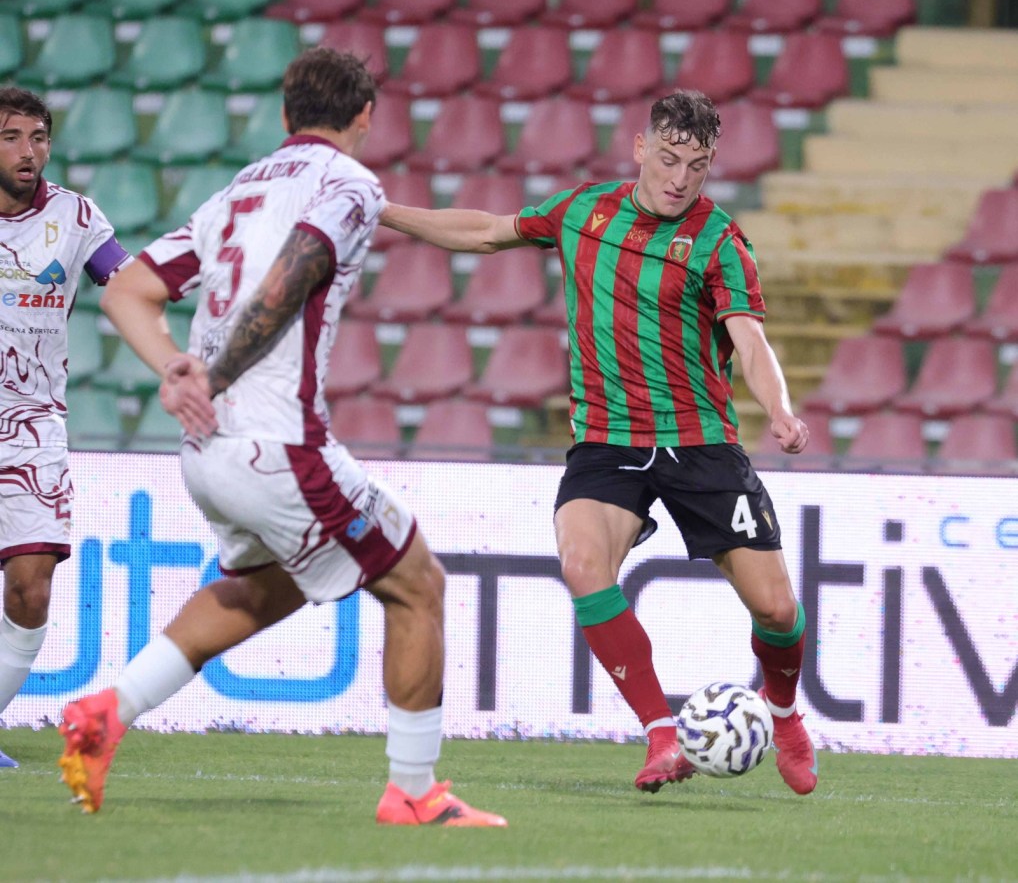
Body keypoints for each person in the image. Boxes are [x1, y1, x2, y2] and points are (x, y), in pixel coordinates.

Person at [57, 48, 506, 826]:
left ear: (283, 114)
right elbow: (291, 277)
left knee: (264, 588)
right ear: (365, 118)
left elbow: (128, 289)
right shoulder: (348, 183)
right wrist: (214, 375)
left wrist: (176, 369)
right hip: (280, 446)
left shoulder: (238, 190)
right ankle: (413, 791)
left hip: (208, 454)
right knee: (417, 582)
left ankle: (105, 711)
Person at [378, 90, 818, 796]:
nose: (680, 179)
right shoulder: (584, 210)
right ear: (640, 148)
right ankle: (661, 735)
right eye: (669, 159)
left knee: (774, 609)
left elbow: (750, 340)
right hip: (606, 440)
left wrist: (781, 411)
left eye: (697, 167)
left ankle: (786, 714)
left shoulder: (719, 241)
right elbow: (488, 230)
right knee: (582, 562)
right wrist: (387, 212)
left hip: (699, 442)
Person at [0, 87, 131, 769]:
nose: (29, 151)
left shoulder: (75, 217)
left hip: (31, 426)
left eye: (39, 137)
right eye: (13, 137)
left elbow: (126, 282)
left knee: (32, 585)